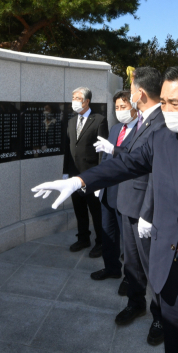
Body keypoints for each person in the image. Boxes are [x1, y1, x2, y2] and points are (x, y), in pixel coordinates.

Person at [33, 66, 178, 353]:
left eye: (175, 104)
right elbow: (125, 164)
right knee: (177, 345)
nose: (167, 110)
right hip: (167, 272)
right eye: (164, 103)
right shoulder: (161, 138)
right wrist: (81, 181)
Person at [94, 67, 165, 345]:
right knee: (133, 263)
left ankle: (161, 315)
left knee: (152, 268)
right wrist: (115, 153)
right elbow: (135, 156)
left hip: (144, 209)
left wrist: (149, 212)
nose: (129, 94)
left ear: (141, 93)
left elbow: (157, 172)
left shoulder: (161, 122)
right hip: (127, 202)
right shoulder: (144, 120)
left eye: (132, 89)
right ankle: (136, 303)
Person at [90, 90, 137, 282]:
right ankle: (111, 267)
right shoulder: (116, 128)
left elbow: (135, 158)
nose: (120, 111)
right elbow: (106, 157)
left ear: (134, 107)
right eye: (117, 107)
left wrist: (114, 150)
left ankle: (131, 278)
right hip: (108, 190)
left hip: (126, 192)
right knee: (108, 232)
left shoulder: (142, 130)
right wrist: (99, 181)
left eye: (123, 107)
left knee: (128, 241)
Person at [63, 86, 108, 257]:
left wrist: (101, 176)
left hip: (92, 175)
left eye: (77, 98)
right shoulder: (71, 121)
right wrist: (65, 172)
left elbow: (102, 150)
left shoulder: (99, 120)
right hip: (74, 175)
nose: (73, 101)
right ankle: (83, 238)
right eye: (73, 97)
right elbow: (68, 149)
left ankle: (101, 242)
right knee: (79, 209)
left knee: (96, 211)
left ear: (86, 101)